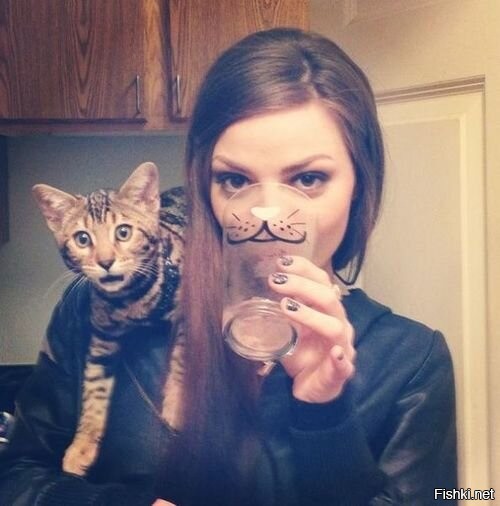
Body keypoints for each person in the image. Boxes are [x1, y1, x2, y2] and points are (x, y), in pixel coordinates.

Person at [0, 28, 456, 506]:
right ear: (204, 186)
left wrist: (325, 416)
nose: (266, 214)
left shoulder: (411, 361)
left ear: (360, 184)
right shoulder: (104, 312)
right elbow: (16, 477)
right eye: (235, 180)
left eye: (308, 178)